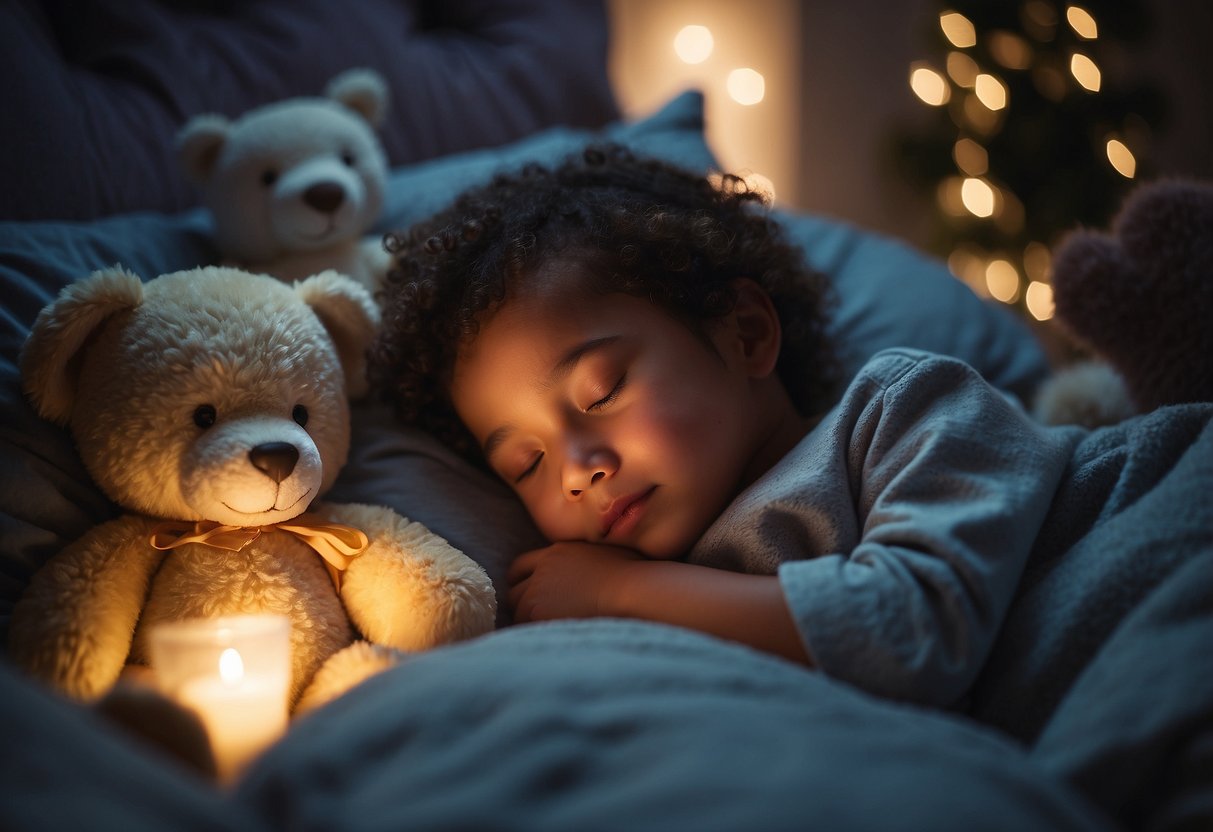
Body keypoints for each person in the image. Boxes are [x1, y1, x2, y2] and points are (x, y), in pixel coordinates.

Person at [369, 145, 1080, 708]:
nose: (576, 469)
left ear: (743, 333)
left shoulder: (905, 410)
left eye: (603, 390)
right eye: (525, 464)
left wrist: (619, 594)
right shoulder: (664, 580)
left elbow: (917, 628)